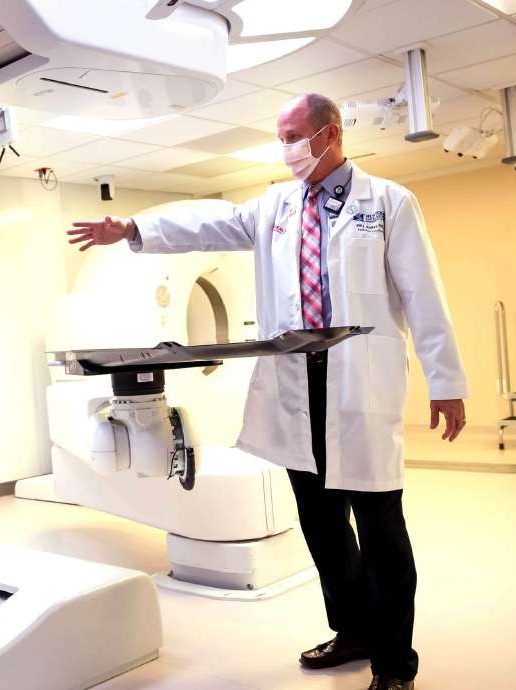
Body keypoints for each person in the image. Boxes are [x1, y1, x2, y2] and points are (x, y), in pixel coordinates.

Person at [66, 93, 467, 690]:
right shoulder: (275, 206)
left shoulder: (387, 203)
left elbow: (422, 293)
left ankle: (394, 663)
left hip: (360, 381)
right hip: (296, 384)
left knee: (381, 532)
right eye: (279, 137)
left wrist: (446, 380)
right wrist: (133, 228)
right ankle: (352, 630)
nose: (286, 147)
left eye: (292, 134)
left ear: (329, 134)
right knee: (324, 528)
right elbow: (210, 221)